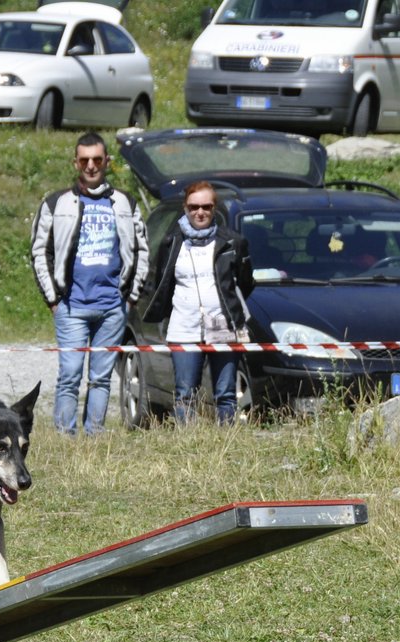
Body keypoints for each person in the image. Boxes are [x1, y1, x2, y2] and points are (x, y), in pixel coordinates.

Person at [30, 132, 148, 436]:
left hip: (112, 306)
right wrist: (53, 299)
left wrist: (130, 297)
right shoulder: (56, 202)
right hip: (71, 305)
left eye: (97, 159)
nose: (91, 166)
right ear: (75, 162)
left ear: (107, 161)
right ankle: (64, 436)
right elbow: (39, 250)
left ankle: (95, 434)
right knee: (69, 374)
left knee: (101, 376)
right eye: (85, 160)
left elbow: (141, 250)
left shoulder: (125, 202)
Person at [141, 181, 255, 424]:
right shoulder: (171, 242)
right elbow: (162, 281)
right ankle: (187, 445)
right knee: (185, 394)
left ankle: (227, 443)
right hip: (184, 326)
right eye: (194, 207)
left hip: (223, 325)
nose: (199, 212)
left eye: (206, 206)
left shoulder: (232, 242)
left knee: (225, 394)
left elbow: (245, 283)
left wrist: (231, 308)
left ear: (215, 209)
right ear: (185, 208)